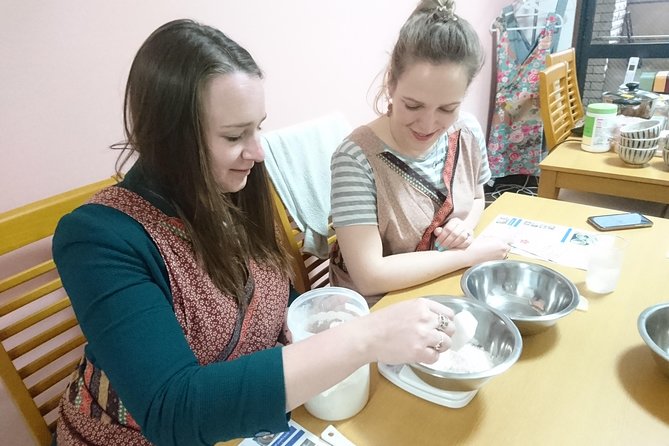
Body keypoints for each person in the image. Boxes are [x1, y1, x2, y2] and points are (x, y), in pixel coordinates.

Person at [51, 19, 459, 446]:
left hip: (256, 424)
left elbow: (282, 305)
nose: (258, 151)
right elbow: (173, 410)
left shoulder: (233, 185)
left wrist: (348, 330)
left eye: (257, 126)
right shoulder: (97, 237)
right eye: (234, 135)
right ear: (166, 138)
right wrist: (366, 336)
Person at [329, 0, 510, 305]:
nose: (428, 124)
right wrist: (468, 255)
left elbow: (477, 197)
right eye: (413, 106)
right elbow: (369, 276)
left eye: (447, 108)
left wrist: (463, 226)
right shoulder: (355, 159)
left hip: (446, 289)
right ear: (391, 85)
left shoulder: (466, 131)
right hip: (381, 309)